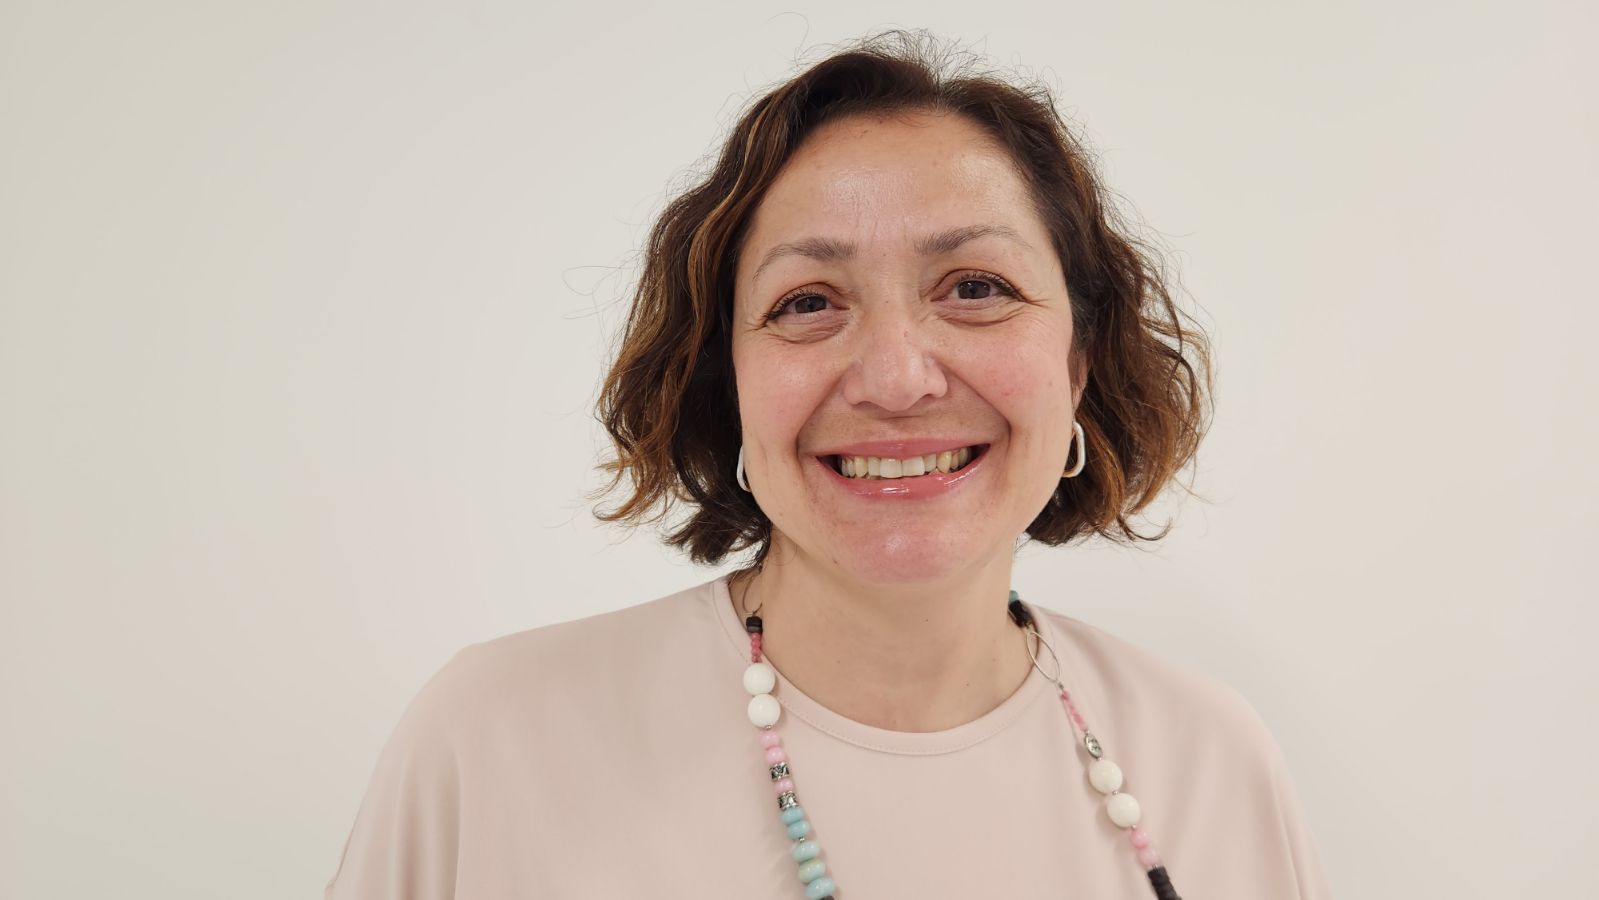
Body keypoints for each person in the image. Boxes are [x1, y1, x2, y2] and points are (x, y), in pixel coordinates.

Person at [323, 30, 1334, 900]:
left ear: (1077, 364)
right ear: (727, 381)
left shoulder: (1211, 759)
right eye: (807, 302)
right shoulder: (496, 741)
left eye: (975, 287)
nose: (896, 378)